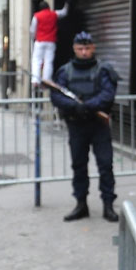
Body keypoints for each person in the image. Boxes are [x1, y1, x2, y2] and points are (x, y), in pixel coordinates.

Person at [49, 31, 120, 223]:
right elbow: (56, 96)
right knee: (79, 166)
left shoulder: (103, 70)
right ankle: (81, 205)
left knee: (105, 165)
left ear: (93, 48)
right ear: (74, 49)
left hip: (99, 126)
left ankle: (108, 205)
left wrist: (87, 106)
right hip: (77, 125)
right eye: (80, 48)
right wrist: (74, 106)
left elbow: (108, 94)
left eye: (87, 48)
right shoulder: (65, 71)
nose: (84, 52)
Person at [30, 0, 69, 88]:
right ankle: (46, 79)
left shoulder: (37, 16)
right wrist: (67, 4)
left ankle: (35, 80)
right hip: (51, 42)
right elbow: (64, 12)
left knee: (36, 60)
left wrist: (34, 38)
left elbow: (32, 29)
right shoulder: (54, 14)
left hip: (40, 41)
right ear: (48, 7)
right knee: (48, 61)